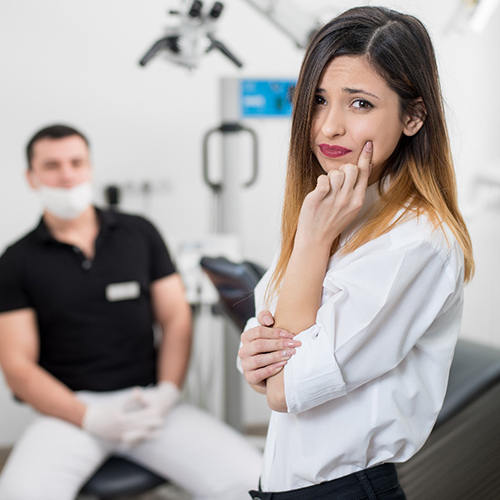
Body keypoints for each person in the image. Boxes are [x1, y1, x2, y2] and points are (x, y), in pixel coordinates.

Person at [238, 6, 474, 500]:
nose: (329, 127)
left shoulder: (417, 242)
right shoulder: (335, 210)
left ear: (413, 116)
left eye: (360, 104)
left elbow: (283, 389)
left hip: (345, 490)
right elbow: (265, 357)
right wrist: (258, 359)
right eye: (318, 100)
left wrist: (310, 243)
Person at [0, 124, 262, 500]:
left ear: (90, 167)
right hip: (68, 411)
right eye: (52, 165)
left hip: (148, 401)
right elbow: (17, 367)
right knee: (21, 493)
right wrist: (88, 417)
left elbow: (174, 319)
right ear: (32, 176)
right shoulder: (16, 261)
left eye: (76, 162)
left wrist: (168, 391)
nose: (66, 174)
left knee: (251, 479)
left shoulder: (139, 233)